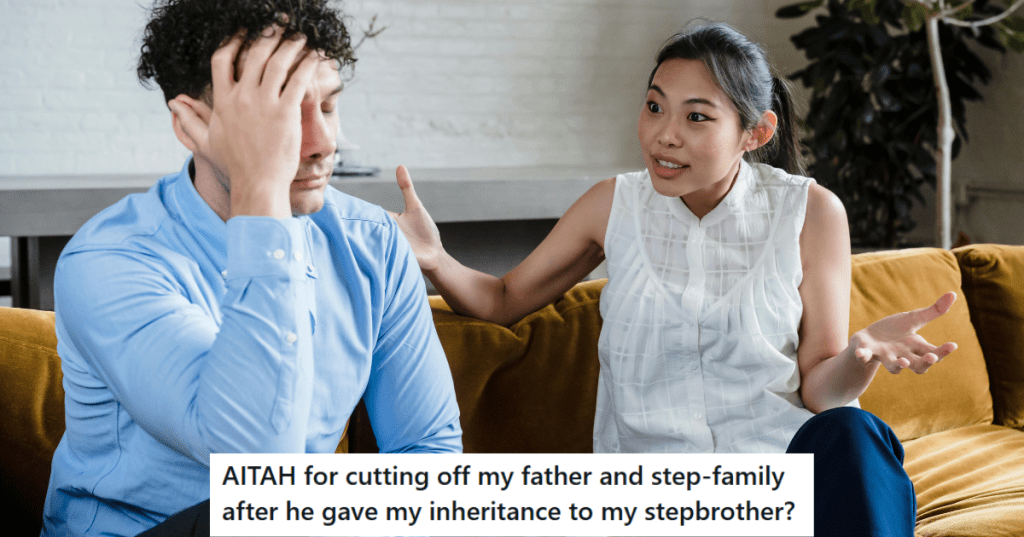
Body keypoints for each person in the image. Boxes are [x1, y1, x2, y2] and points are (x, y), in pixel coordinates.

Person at [390, 22, 956, 536]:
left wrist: (861, 353)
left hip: (778, 491)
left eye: (697, 116)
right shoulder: (613, 205)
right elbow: (504, 299)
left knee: (854, 438)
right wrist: (435, 258)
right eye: (655, 107)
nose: (664, 135)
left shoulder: (810, 212)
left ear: (756, 133)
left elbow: (819, 391)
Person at [41, 1, 462, 535]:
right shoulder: (108, 262)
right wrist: (261, 189)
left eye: (328, 108)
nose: (323, 144)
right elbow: (257, 469)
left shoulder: (373, 243)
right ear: (191, 124)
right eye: (282, 115)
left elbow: (427, 452)